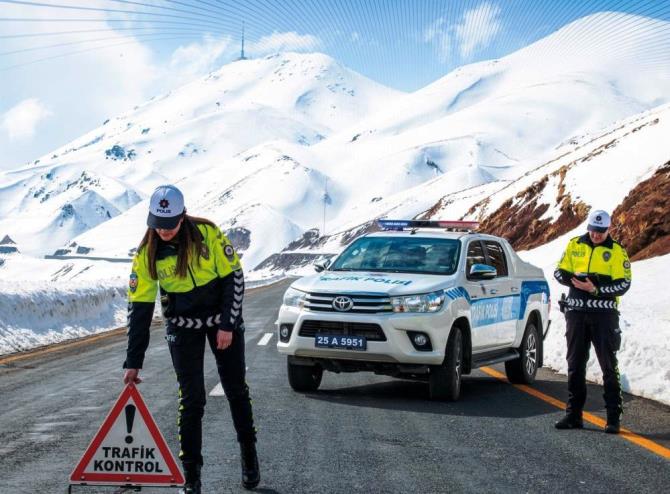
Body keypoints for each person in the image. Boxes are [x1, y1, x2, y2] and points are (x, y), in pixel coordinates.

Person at [122, 184, 260, 493]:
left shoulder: (207, 234)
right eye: (158, 225)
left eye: (170, 225)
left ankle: (249, 456)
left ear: (183, 217)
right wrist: (133, 362)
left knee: (236, 389)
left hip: (221, 321)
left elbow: (234, 278)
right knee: (192, 398)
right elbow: (140, 310)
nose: (165, 232)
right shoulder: (147, 254)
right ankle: (191, 476)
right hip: (182, 326)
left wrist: (227, 324)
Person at [553, 209, 632, 434]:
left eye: (601, 231)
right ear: (588, 227)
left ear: (609, 229)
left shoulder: (617, 251)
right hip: (576, 314)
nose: (596, 235)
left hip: (604, 317)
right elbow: (559, 272)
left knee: (608, 365)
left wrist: (595, 289)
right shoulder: (574, 244)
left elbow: (624, 284)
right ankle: (573, 415)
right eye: (593, 230)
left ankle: (613, 418)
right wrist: (574, 281)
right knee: (575, 364)